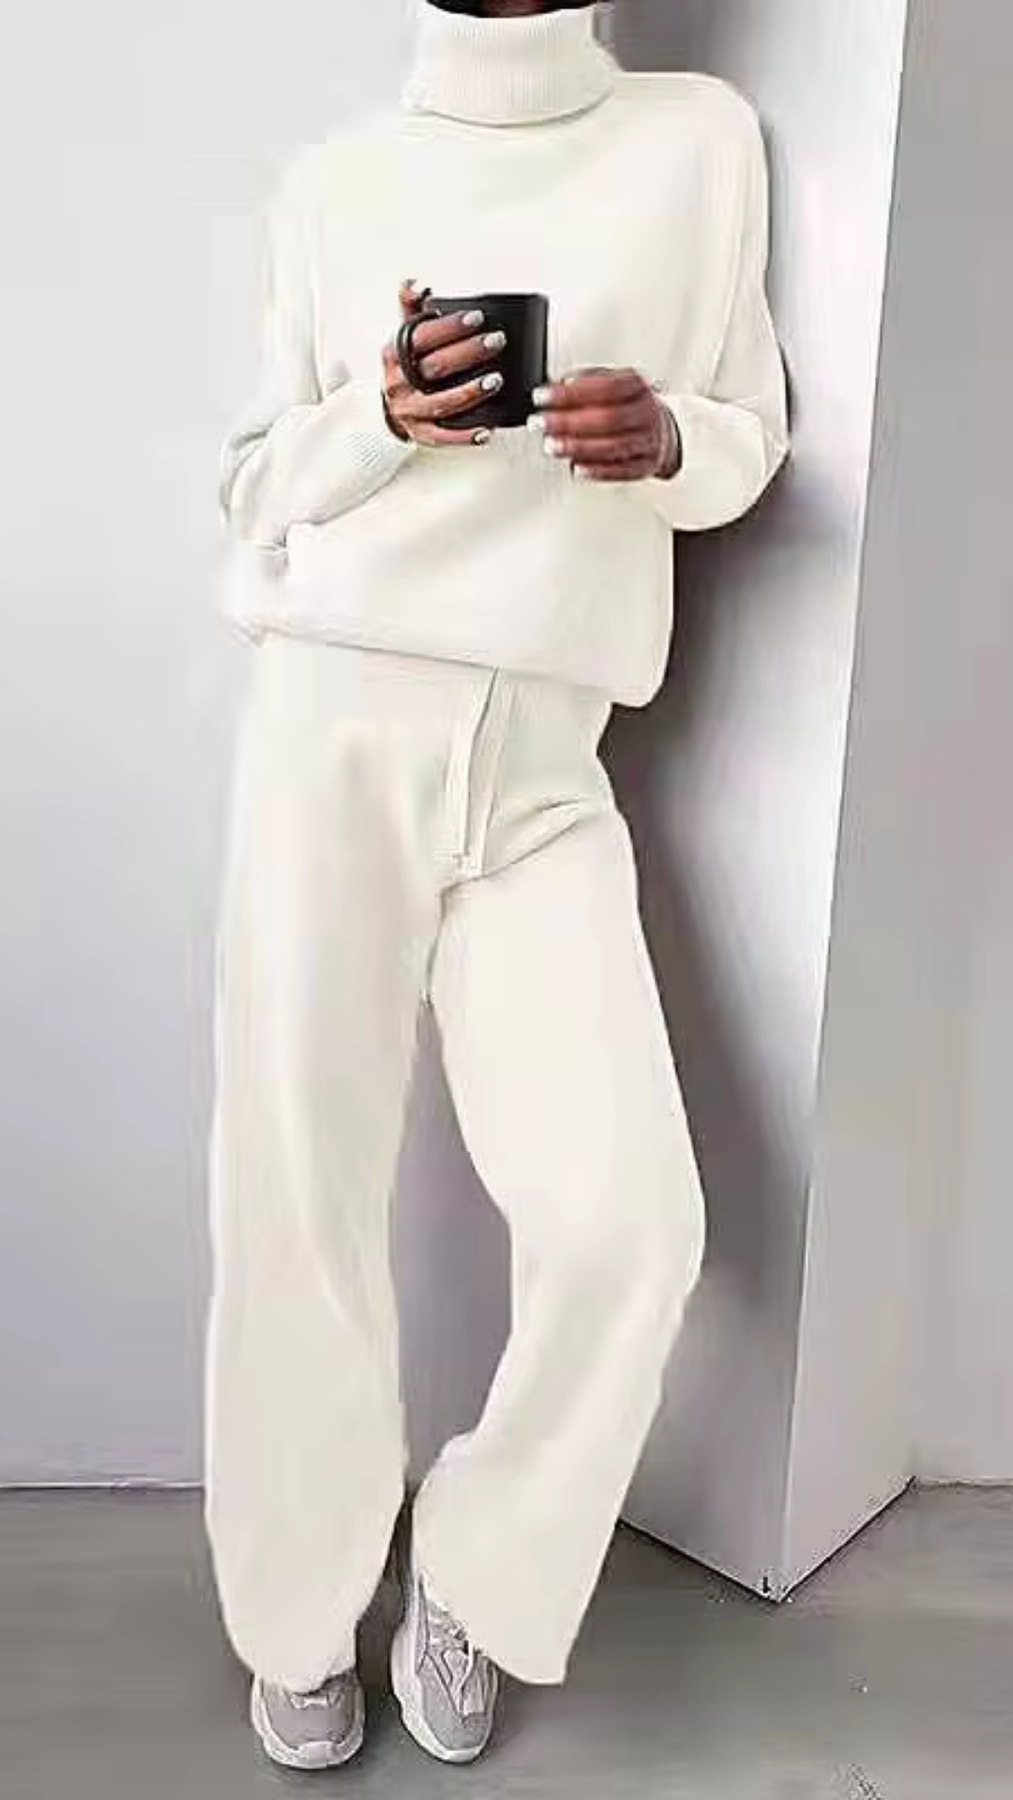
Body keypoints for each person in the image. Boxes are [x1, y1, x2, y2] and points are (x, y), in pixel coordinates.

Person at [207, 0, 788, 1771]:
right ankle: (297, 1611)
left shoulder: (698, 144)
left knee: (634, 1223)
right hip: (334, 727)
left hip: (547, 756)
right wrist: (381, 417)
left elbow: (748, 434)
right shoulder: (335, 182)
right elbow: (249, 488)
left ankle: (481, 1572)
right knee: (297, 1198)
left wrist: (665, 442)